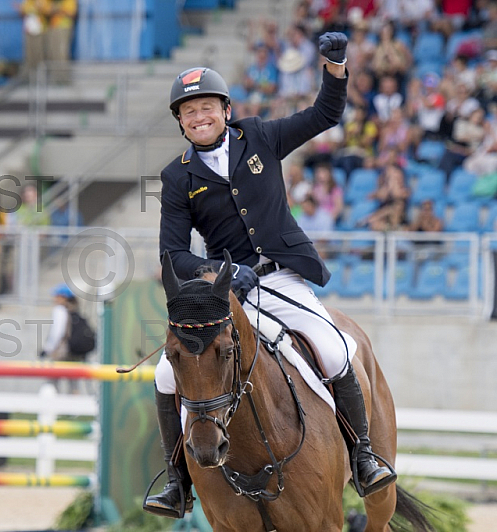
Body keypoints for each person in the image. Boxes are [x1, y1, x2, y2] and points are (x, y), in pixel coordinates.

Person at [144, 32, 396, 520]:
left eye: (207, 108)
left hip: (280, 279)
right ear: (180, 122)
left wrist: (336, 67)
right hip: (228, 291)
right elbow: (172, 254)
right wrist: (219, 272)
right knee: (163, 373)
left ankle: (362, 455)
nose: (200, 117)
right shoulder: (177, 177)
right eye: (189, 112)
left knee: (335, 348)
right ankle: (177, 482)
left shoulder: (259, 136)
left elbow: (323, 115)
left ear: (225, 109)